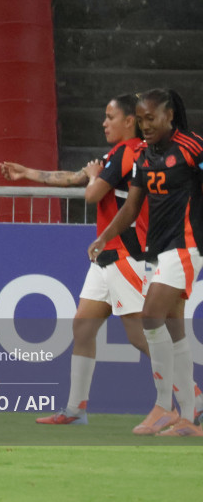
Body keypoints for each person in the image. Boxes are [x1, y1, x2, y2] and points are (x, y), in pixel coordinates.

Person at [1, 94, 153, 425]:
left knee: (139, 335)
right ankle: (76, 410)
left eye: (109, 116)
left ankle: (191, 396)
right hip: (106, 256)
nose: (104, 122)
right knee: (83, 325)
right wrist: (27, 172)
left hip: (126, 254)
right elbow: (76, 177)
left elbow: (91, 193)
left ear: (130, 121)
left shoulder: (130, 153)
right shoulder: (115, 154)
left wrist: (96, 175)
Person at [89, 88, 203, 436]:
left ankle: (162, 405)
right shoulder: (144, 156)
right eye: (140, 120)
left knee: (150, 315)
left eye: (150, 118)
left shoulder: (192, 147)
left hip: (186, 245)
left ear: (170, 116)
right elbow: (131, 207)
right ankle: (190, 413)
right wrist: (105, 236)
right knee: (172, 328)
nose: (145, 125)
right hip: (157, 250)